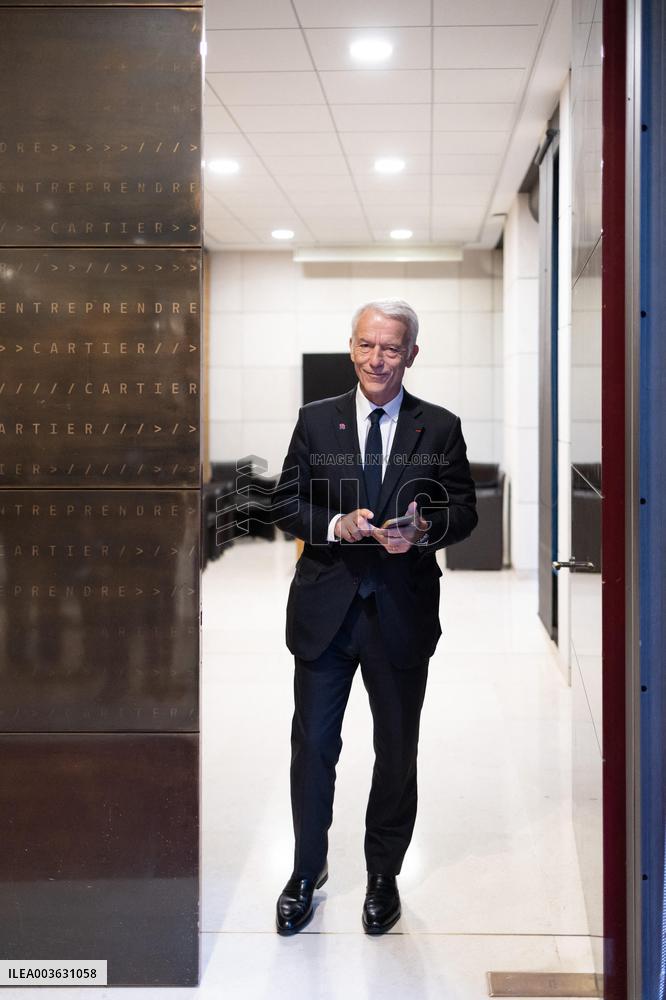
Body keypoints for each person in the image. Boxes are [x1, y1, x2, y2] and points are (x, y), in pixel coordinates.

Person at [270, 299, 478, 936]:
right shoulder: (316, 420)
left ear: (411, 354)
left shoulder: (438, 427)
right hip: (326, 614)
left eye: (390, 348)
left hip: (399, 614)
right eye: (366, 345)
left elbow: (463, 510)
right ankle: (307, 869)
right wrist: (335, 524)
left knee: (395, 749)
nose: (376, 359)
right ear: (351, 347)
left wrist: (422, 531)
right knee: (314, 747)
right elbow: (285, 502)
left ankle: (383, 874)